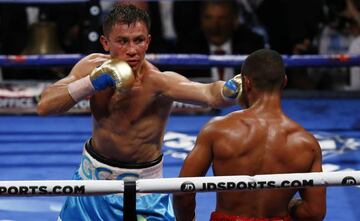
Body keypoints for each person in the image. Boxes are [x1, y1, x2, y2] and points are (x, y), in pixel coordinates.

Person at [37, 3, 238, 221]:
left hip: (144, 193)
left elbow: (209, 94)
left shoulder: (159, 82)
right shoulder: (90, 68)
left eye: (138, 40)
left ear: (148, 41)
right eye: (123, 41)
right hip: (91, 184)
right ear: (106, 42)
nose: (132, 50)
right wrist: (90, 84)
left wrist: (229, 89)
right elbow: (45, 106)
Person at [173, 49, 326, 221]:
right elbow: (314, 212)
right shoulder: (306, 144)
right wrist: (291, 206)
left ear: (246, 83)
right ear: (284, 82)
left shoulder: (218, 130)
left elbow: (182, 192)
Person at [176, 0, 264, 82]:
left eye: (222, 18)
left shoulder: (252, 45)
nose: (215, 25)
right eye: (208, 17)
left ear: (235, 20)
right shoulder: (188, 47)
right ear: (201, 20)